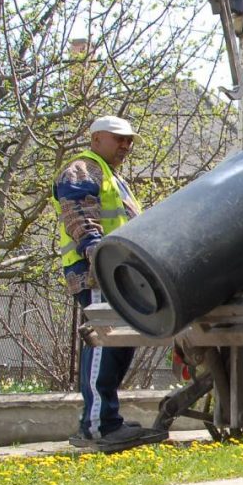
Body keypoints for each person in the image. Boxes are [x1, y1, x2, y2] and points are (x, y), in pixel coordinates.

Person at [52, 115, 168, 453]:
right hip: (98, 271)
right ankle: (98, 426)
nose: (126, 146)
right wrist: (96, 251)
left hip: (117, 272)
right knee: (105, 343)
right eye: (119, 139)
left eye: (130, 141)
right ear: (97, 138)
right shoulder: (84, 169)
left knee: (119, 343)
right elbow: (77, 213)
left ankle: (107, 419)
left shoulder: (111, 177)